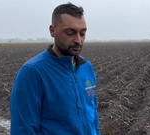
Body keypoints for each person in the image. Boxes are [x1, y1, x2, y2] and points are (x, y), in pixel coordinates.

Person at [10, 2, 100, 135]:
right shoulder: (32, 72)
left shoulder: (86, 67)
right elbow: (23, 129)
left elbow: (93, 114)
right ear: (53, 31)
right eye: (70, 33)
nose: (78, 40)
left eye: (82, 33)